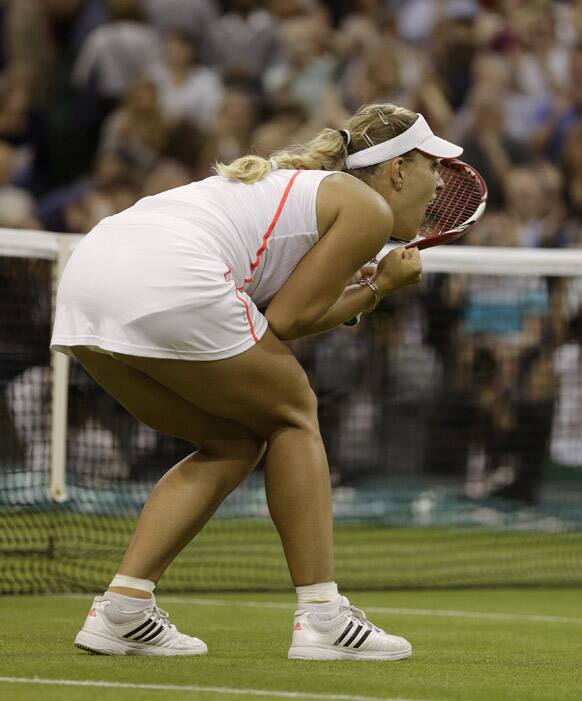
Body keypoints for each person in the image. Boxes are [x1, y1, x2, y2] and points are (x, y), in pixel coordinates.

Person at [50, 101, 461, 660]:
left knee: (235, 439)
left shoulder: (305, 193)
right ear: (396, 170)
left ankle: (122, 609)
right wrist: (378, 290)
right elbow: (287, 324)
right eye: (432, 166)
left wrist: (359, 287)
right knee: (295, 413)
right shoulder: (367, 207)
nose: (439, 183)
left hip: (87, 281)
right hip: (170, 274)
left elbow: (277, 312)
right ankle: (322, 618)